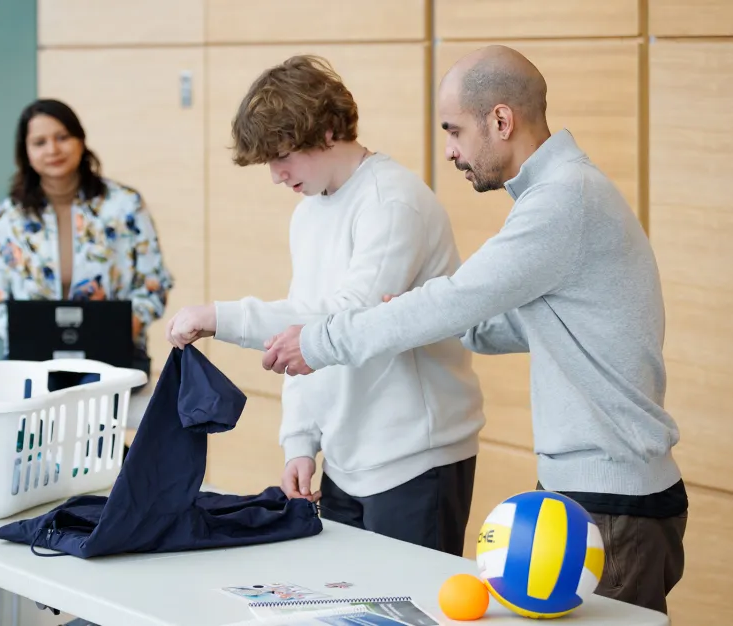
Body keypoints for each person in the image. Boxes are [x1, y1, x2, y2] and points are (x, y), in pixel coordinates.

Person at [261, 45, 687, 614]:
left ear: (501, 120)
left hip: (614, 501)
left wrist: (318, 341)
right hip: (588, 491)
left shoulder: (563, 201)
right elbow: (498, 321)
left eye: (455, 130)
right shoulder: (561, 195)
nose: (450, 150)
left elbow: (458, 299)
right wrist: (418, 311)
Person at [165, 55, 485, 556]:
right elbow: (304, 326)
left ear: (331, 129)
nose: (276, 175)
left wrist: (221, 318)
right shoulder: (309, 213)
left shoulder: (390, 201)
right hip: (348, 456)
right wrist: (299, 440)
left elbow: (346, 322)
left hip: (416, 455)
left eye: (283, 155)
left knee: (410, 611)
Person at [0, 98, 174, 391]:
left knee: (91, 399)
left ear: (80, 140)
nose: (53, 150)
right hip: (32, 361)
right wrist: (22, 333)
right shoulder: (6, 218)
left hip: (113, 357)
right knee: (38, 400)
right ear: (26, 152)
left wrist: (127, 324)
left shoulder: (125, 205)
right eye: (39, 142)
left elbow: (154, 284)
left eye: (62, 137)